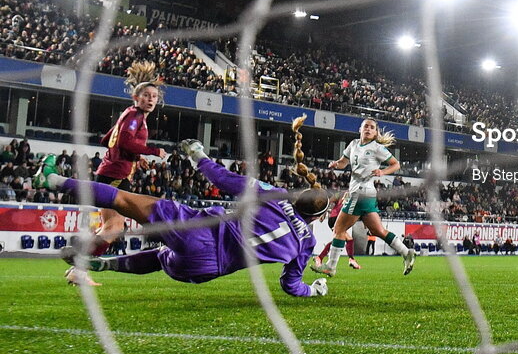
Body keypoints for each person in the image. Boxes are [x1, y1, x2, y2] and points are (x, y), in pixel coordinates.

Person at [38, 133, 330, 297]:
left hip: (204, 230)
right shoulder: (307, 244)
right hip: (205, 268)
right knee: (159, 257)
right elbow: (290, 285)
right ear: (317, 218)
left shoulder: (275, 196)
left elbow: (224, 180)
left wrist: (198, 155)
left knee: (127, 200)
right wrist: (313, 291)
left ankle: (52, 181)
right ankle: (104, 266)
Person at [66, 61, 168, 286]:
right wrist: (152, 151)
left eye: (153, 96)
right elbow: (123, 140)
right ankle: (80, 264)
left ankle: (79, 263)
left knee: (113, 225)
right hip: (116, 176)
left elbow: (107, 140)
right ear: (136, 97)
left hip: (112, 173)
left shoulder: (128, 114)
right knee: (115, 226)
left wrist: (134, 157)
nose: (151, 99)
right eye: (146, 95)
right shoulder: (135, 116)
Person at [310, 118, 415, 276]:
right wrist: (335, 164)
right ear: (360, 129)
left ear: (375, 133)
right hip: (366, 194)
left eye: (372, 127)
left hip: (360, 192)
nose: (368, 129)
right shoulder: (353, 144)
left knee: (339, 229)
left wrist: (382, 172)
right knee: (378, 230)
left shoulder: (377, 148)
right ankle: (407, 253)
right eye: (366, 126)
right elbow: (343, 163)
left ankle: (330, 267)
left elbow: (396, 164)